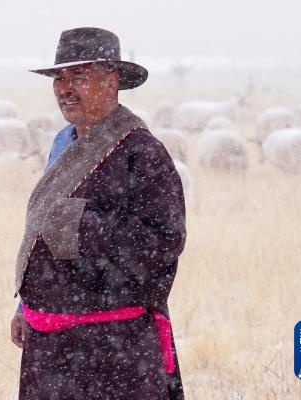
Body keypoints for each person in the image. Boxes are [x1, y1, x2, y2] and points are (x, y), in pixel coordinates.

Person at [10, 27, 186, 399]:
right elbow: (45, 229)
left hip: (112, 351)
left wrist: (80, 226)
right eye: (58, 78)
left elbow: (162, 244)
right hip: (52, 349)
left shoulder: (143, 153)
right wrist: (27, 308)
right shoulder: (63, 142)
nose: (63, 88)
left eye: (78, 76)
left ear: (111, 81)